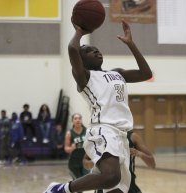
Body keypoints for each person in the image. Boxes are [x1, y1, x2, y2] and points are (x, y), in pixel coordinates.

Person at [43, 18, 152, 193]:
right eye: (89, 51)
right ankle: (60, 189)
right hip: (103, 130)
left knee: (116, 189)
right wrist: (80, 31)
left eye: (97, 50)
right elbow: (72, 49)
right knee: (111, 176)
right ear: (81, 59)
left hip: (122, 136)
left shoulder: (117, 73)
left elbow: (146, 73)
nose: (96, 52)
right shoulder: (84, 77)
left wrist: (131, 44)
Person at [83, 131, 156, 193]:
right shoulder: (99, 136)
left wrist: (139, 154)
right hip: (104, 186)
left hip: (128, 186)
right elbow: (85, 162)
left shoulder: (132, 137)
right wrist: (94, 162)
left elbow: (152, 164)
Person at [64, 113, 88, 185]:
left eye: (79, 118)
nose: (78, 120)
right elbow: (66, 148)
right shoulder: (69, 133)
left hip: (85, 161)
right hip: (74, 162)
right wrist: (71, 148)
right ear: (72, 121)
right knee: (78, 184)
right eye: (75, 118)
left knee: (85, 182)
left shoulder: (87, 131)